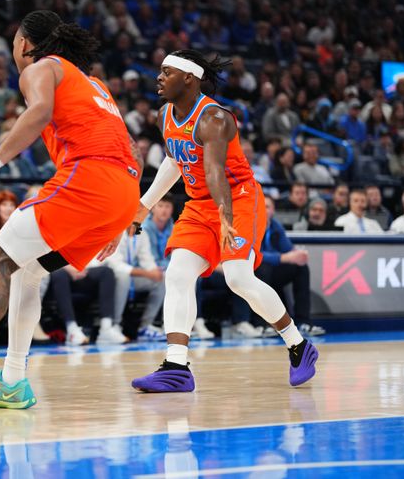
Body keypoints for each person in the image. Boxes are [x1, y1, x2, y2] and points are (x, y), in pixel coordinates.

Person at [0, 10, 141, 409]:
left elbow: (38, 113)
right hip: (122, 190)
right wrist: (124, 217)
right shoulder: (95, 84)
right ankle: (14, 382)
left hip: (89, 178)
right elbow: (132, 149)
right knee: (28, 269)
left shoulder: (42, 67)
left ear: (24, 43)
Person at [124, 49, 318, 393]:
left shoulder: (214, 117)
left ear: (189, 78)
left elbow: (215, 172)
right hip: (200, 204)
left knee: (239, 278)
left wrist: (225, 218)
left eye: (166, 72)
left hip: (237, 199)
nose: (158, 78)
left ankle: (299, 346)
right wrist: (144, 205)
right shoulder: (164, 114)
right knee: (178, 274)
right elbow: (175, 162)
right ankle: (176, 366)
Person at [256, 197, 324, 336]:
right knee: (263, 268)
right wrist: (283, 258)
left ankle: (303, 321)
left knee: (300, 267)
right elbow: (255, 255)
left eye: (268, 206)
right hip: (255, 273)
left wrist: (298, 255)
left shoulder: (275, 226)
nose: (264, 209)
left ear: (273, 210)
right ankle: (260, 325)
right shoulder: (250, 226)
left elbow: (288, 249)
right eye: (261, 206)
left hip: (273, 272)